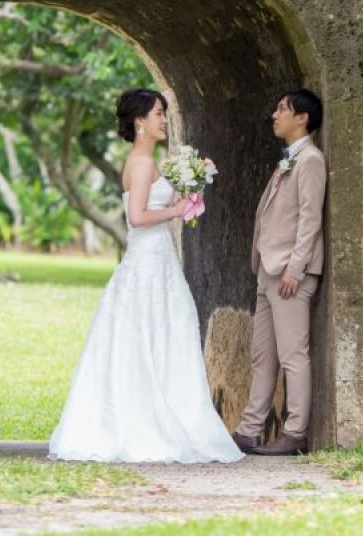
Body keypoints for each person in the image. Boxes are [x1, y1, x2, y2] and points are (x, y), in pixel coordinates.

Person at [49, 87, 243, 464]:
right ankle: (148, 422)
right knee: (150, 333)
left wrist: (180, 202)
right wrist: (175, 211)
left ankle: (170, 411)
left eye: (163, 113)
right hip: (148, 263)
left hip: (158, 261)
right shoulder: (140, 163)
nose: (163, 119)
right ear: (139, 120)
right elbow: (137, 217)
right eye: (157, 113)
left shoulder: (148, 160)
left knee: (165, 333)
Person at [232, 88, 327, 456]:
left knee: (293, 354)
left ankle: (296, 431)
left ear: (302, 118)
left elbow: (310, 218)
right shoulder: (289, 159)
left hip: (290, 272)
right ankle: (248, 430)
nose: (275, 115)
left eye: (282, 109)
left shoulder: (311, 160)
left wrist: (296, 267)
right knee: (263, 356)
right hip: (268, 270)